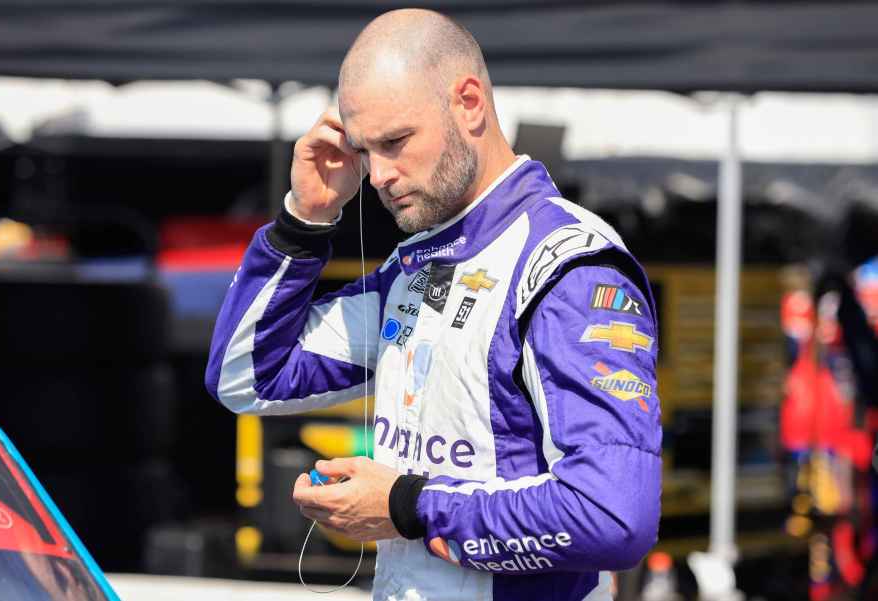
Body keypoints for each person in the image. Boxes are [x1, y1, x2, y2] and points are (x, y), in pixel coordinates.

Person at [206, 8, 661, 601]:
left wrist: (407, 506)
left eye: (395, 142)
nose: (377, 176)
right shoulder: (418, 266)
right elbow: (246, 377)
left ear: (468, 103)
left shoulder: (566, 267)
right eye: (364, 151)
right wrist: (304, 220)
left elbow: (613, 515)